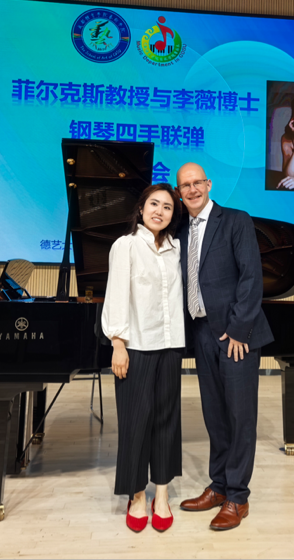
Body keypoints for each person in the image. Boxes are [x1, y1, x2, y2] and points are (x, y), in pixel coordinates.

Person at [175, 163, 273, 531]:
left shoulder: (235, 220)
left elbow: (251, 277)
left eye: (197, 182)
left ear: (209, 184)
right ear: (179, 192)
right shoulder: (180, 229)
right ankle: (218, 486)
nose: (192, 189)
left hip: (235, 336)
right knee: (214, 415)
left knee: (240, 416)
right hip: (202, 332)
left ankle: (238, 497)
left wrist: (238, 331)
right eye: (185, 185)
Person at [101, 183, 185, 533]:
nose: (159, 211)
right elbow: (117, 295)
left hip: (171, 344)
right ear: (141, 208)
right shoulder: (126, 245)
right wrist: (117, 343)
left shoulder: (176, 248)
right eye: (154, 204)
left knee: (167, 421)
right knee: (136, 422)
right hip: (135, 346)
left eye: (167, 207)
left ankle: (161, 495)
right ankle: (137, 495)